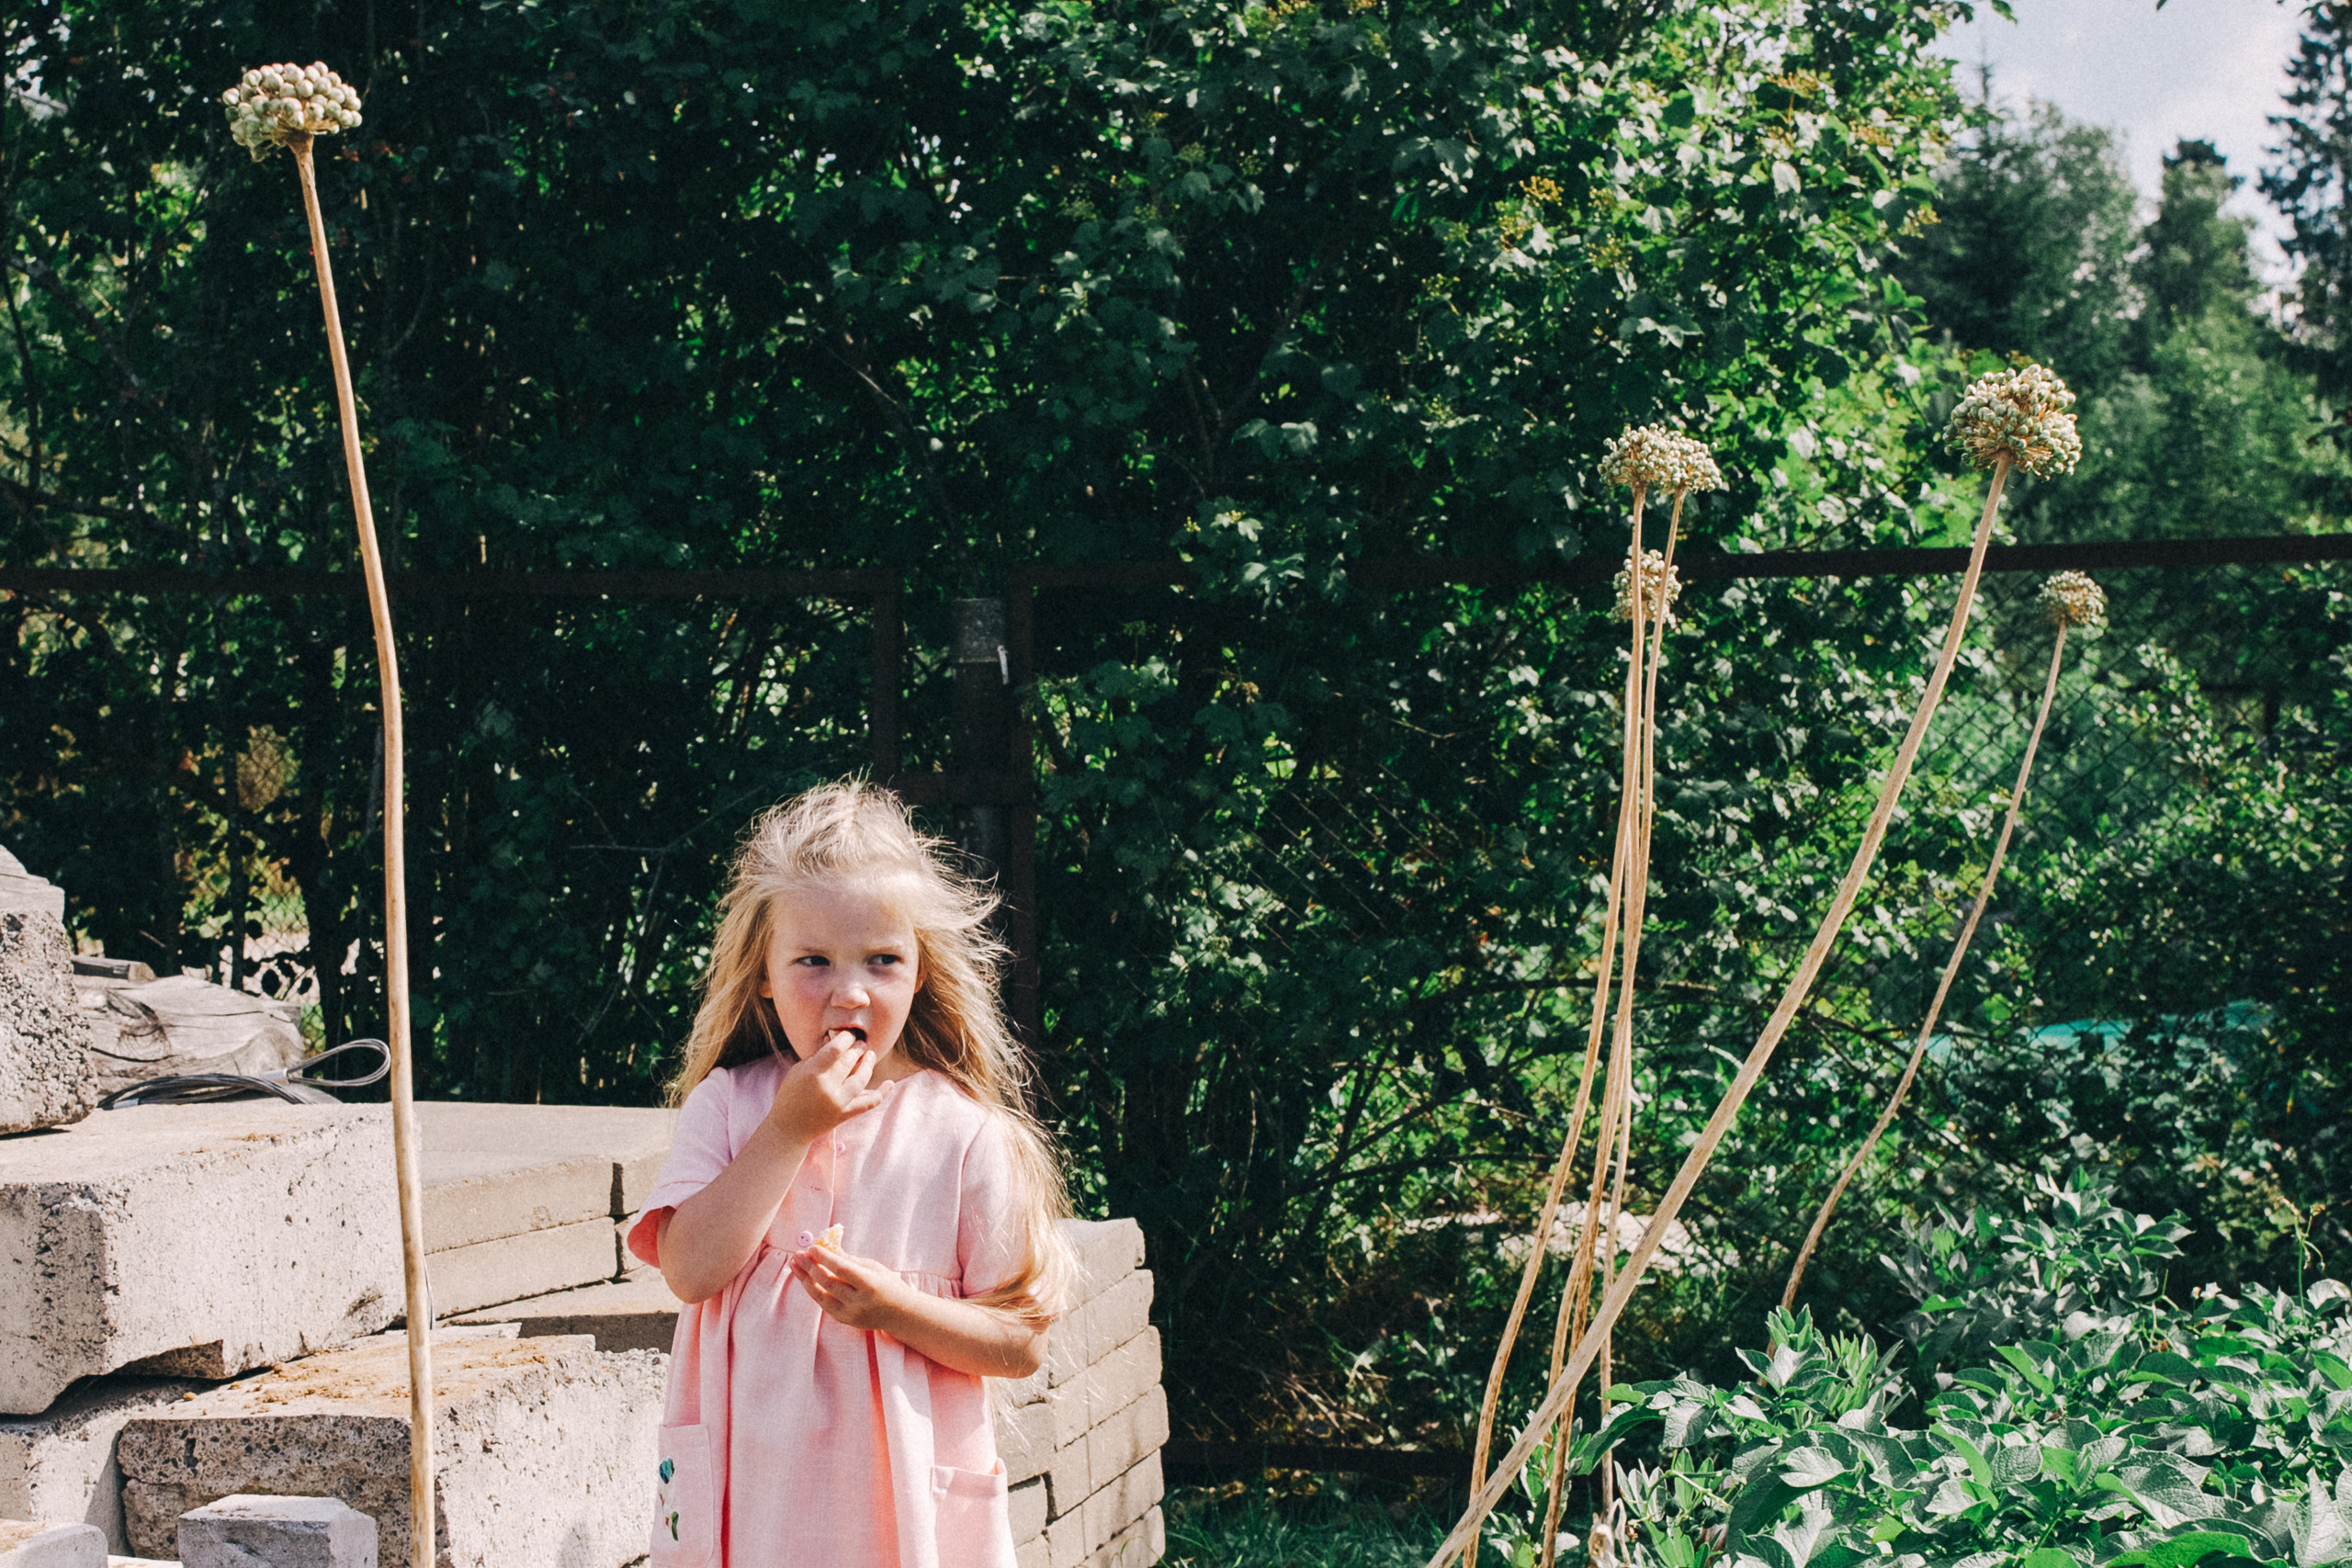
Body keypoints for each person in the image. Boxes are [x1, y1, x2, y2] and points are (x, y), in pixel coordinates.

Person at [626, 782, 1072, 1568]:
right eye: (813, 961)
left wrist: (896, 1307)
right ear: (763, 973)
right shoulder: (728, 1105)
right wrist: (787, 1128)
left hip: (896, 1519)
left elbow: (1019, 1342)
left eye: (882, 960)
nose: (850, 990)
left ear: (920, 971)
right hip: (750, 1512)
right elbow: (690, 1271)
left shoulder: (965, 1135)